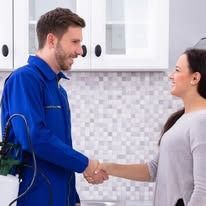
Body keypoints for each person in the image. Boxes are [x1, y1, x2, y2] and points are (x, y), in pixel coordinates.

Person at [1, 8, 107, 206]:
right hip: (32, 198)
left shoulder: (59, 90)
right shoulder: (24, 79)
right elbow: (34, 138)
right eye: (74, 42)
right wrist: (84, 164)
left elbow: (60, 150)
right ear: (51, 40)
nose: (80, 50)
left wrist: (72, 199)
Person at [92, 48, 206, 206]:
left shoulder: (202, 121)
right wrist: (109, 167)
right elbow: (154, 170)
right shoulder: (182, 120)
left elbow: (203, 191)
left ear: (195, 78)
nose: (171, 75)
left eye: (177, 70)